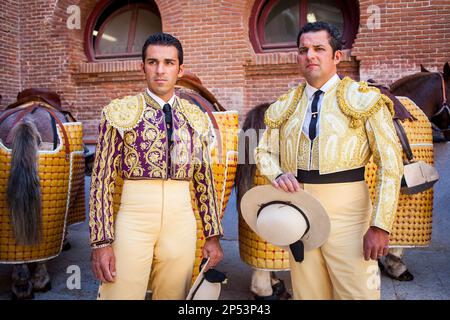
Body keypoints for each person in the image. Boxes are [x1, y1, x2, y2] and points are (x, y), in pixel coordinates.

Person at [254, 22, 403, 300]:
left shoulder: (365, 99)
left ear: (337, 56)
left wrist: (380, 224)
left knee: (358, 294)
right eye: (303, 50)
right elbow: (263, 152)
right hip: (299, 210)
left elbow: (390, 164)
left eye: (318, 48)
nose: (310, 55)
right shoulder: (284, 105)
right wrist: (277, 175)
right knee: (308, 294)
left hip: (349, 213)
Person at [89, 32, 223, 300]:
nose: (160, 70)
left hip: (181, 220)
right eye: (152, 62)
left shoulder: (196, 117)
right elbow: (102, 179)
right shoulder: (120, 112)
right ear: (142, 67)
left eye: (169, 63)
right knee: (120, 294)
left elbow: (204, 179)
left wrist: (213, 236)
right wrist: (101, 243)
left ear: (180, 69)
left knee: (175, 295)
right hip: (134, 218)